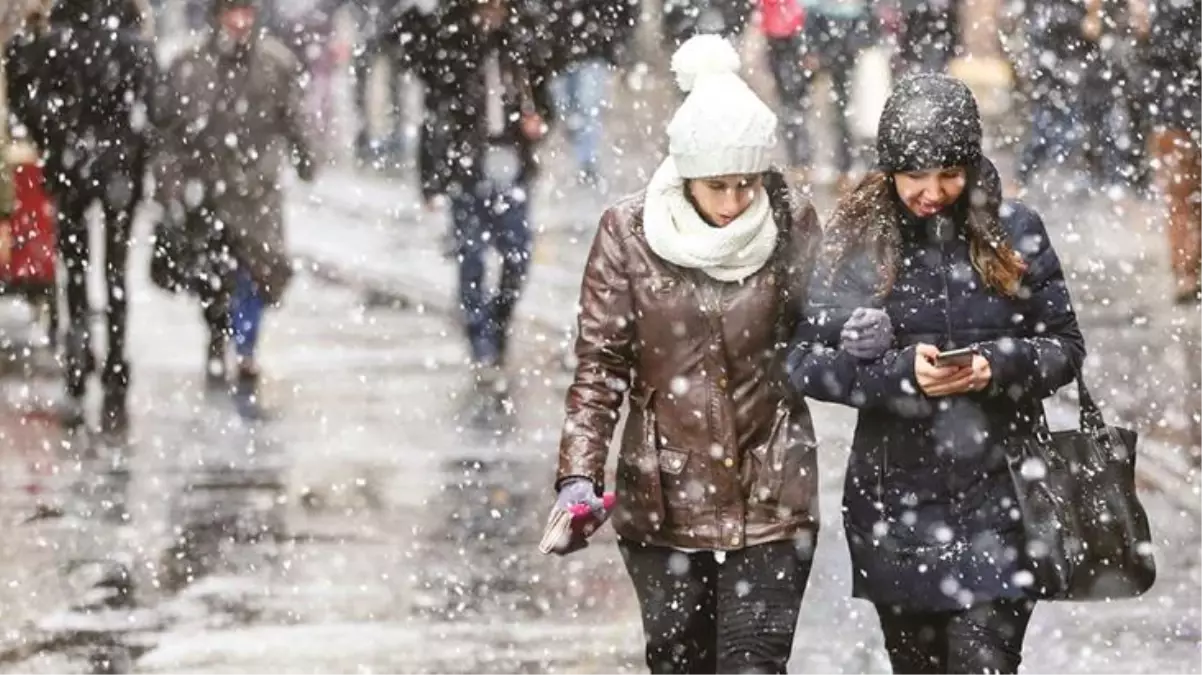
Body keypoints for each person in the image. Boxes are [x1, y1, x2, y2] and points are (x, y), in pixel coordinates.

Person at [788, 74, 1085, 674]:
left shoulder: (1015, 230)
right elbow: (804, 361)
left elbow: (1064, 345)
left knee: (984, 661)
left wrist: (993, 366)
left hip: (1004, 498)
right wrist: (897, 374)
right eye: (914, 176)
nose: (932, 192)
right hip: (895, 506)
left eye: (949, 173)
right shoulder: (857, 242)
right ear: (888, 170)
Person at [554, 35, 822, 674]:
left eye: (746, 184)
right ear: (684, 173)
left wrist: (857, 334)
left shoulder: (790, 222)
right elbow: (601, 366)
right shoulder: (628, 232)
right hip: (663, 497)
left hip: (773, 490)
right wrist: (578, 475)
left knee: (753, 666)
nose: (733, 203)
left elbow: (824, 333)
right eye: (717, 186)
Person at [153, 0, 316, 415]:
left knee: (258, 271)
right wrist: (171, 187)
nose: (240, 22)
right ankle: (216, 337)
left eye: (246, 11)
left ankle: (246, 349)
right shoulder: (190, 65)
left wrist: (305, 156)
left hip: (257, 190)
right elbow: (170, 134)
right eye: (232, 12)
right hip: (206, 189)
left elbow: (293, 117)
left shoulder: (275, 63)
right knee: (212, 275)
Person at [6, 0, 155, 433]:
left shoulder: (54, 41)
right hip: (118, 170)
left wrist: (54, 137)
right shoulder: (131, 43)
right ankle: (116, 361)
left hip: (72, 166)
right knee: (116, 271)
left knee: (75, 265)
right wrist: (132, 150)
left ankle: (78, 350)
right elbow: (153, 105)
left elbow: (23, 91)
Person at [409, 0, 552, 381]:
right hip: (467, 168)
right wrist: (429, 178)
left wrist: (538, 123)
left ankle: (499, 323)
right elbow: (433, 113)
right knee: (471, 256)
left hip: (512, 164)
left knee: (517, 255)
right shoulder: (451, 41)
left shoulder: (521, 43)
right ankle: (480, 340)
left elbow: (543, 98)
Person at [1134, 0, 1202, 303]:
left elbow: (1154, 55)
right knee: (1183, 197)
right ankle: (1187, 270)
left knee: (1180, 198)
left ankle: (1186, 271)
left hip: (1172, 110)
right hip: (1176, 110)